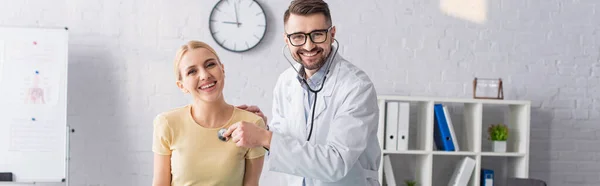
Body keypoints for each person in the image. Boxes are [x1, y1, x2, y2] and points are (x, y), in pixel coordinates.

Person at [223, 0, 382, 185]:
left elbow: (336, 163)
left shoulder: (356, 87)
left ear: (332, 34)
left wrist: (265, 137)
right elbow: (287, 148)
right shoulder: (285, 82)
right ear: (286, 39)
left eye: (317, 34)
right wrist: (263, 130)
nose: (308, 46)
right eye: (298, 36)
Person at [152, 40, 266, 186]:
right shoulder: (167, 123)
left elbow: (252, 183)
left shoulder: (252, 124)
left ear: (222, 69)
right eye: (192, 71)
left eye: (210, 64)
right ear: (182, 86)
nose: (205, 75)